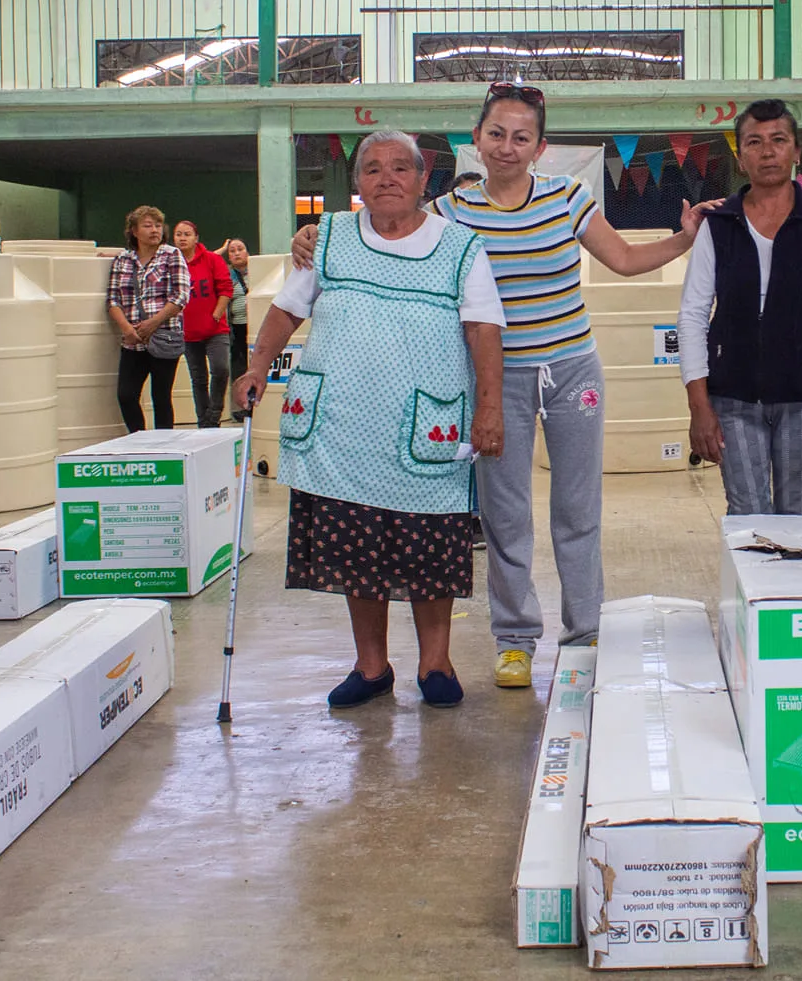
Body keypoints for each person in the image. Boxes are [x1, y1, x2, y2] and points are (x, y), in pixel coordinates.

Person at [289, 84, 710, 690]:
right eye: (496, 134)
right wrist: (316, 238)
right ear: (477, 141)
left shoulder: (570, 198)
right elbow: (387, 226)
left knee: (577, 510)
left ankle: (584, 633)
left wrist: (684, 238)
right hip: (495, 380)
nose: (507, 147)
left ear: (539, 147)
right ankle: (515, 641)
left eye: (521, 137)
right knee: (505, 515)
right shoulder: (451, 210)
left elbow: (621, 259)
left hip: (571, 373)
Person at [240, 131, 505, 710]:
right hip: (342, 429)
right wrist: (257, 365)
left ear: (421, 181)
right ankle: (372, 666)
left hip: (422, 429)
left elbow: (484, 329)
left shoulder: (460, 246)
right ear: (357, 182)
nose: (387, 178)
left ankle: (435, 664)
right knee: (357, 551)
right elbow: (287, 309)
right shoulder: (328, 238)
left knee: (429, 550)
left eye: (400, 168)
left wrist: (489, 408)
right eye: (373, 169)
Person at [680, 98, 802, 517]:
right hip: (733, 399)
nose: (767, 151)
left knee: (799, 519)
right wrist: (699, 404)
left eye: (779, 140)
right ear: (740, 157)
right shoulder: (720, 225)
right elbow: (692, 317)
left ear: (796, 151)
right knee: (748, 518)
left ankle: (794, 588)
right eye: (754, 142)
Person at [107, 205, 188, 432]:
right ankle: (138, 438)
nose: (154, 230)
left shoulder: (172, 255)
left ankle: (164, 446)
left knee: (161, 396)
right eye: (147, 225)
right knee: (126, 394)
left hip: (163, 336)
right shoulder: (123, 260)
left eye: (158, 225)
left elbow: (181, 296)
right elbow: (113, 300)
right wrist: (127, 329)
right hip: (133, 341)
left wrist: (153, 323)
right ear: (134, 231)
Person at [174, 221, 233, 428]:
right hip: (188, 333)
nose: (182, 238)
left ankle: (214, 412)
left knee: (220, 368)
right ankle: (204, 421)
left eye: (187, 234)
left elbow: (226, 289)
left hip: (215, 330)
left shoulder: (212, 260)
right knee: (197, 378)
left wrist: (216, 315)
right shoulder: (172, 263)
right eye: (178, 234)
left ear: (196, 238)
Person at [222, 237, 251, 419]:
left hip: (255, 326)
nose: (236, 253)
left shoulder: (259, 271)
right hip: (237, 328)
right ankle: (241, 407)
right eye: (232, 251)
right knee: (239, 368)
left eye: (240, 249)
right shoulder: (226, 275)